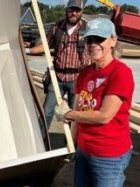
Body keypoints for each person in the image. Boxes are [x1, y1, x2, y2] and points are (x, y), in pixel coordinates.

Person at [55, 18, 135, 187]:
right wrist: (73, 143)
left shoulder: (120, 73)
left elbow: (104, 116)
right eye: (89, 39)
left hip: (109, 155)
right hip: (84, 151)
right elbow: (79, 111)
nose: (93, 44)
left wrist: (68, 114)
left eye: (99, 39)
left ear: (112, 41)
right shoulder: (85, 73)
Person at [26, 0, 90, 128]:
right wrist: (26, 50)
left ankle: (71, 145)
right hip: (57, 79)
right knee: (47, 112)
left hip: (77, 80)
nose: (74, 13)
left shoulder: (87, 31)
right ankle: (42, 142)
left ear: (82, 12)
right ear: (66, 10)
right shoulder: (57, 27)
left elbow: (95, 51)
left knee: (76, 115)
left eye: (77, 10)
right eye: (71, 10)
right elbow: (44, 45)